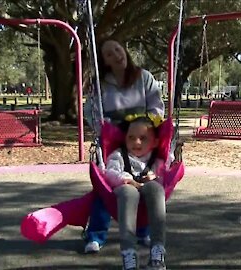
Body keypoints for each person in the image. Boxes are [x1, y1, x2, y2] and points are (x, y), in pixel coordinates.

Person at [84, 38, 165, 253]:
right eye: (109, 54)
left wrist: (143, 125)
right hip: (113, 138)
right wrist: (106, 128)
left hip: (141, 137)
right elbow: (90, 111)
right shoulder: (100, 84)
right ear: (105, 61)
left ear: (125, 50)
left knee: (143, 180)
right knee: (106, 187)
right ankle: (96, 235)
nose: (117, 55)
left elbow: (157, 108)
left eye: (118, 49)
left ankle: (143, 231)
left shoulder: (143, 77)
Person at [105, 116, 167, 270]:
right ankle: (129, 253)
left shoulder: (156, 160)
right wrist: (126, 179)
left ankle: (157, 253)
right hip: (125, 188)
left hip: (148, 188)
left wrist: (154, 176)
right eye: (131, 138)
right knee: (129, 193)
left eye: (143, 138)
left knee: (157, 188)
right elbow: (110, 172)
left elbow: (167, 173)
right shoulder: (119, 156)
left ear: (155, 142)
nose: (136, 142)